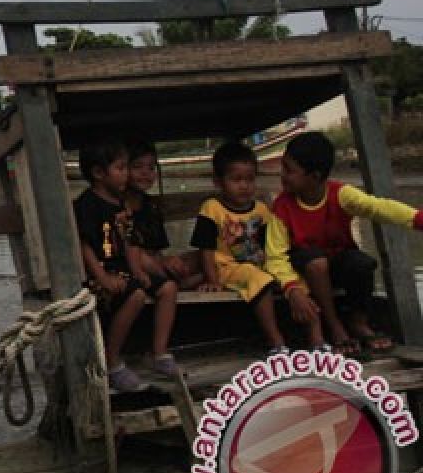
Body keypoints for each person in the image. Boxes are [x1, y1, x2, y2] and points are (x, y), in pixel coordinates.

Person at [267, 131, 423, 357]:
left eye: (289, 170)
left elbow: (379, 208)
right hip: (306, 268)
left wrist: (418, 220)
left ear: (315, 176)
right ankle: (334, 325)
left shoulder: (340, 194)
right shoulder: (282, 206)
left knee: (362, 264)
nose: (282, 176)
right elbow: (275, 256)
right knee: (316, 262)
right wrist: (292, 289)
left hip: (336, 263)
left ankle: (358, 321)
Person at [191, 141, 325, 355]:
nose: (244, 186)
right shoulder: (211, 209)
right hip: (228, 267)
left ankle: (317, 339)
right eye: (236, 180)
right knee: (257, 278)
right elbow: (205, 250)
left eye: (250, 179)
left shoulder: (262, 210)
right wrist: (212, 280)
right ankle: (277, 342)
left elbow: (270, 246)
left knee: (298, 280)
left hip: (261, 264)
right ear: (218, 181)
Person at [74, 139, 180, 392]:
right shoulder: (87, 204)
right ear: (99, 174)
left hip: (124, 268)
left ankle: (159, 353)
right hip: (100, 271)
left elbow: (131, 242)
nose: (126, 175)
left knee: (168, 288)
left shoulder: (122, 204)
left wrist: (138, 271)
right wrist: (102, 277)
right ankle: (112, 362)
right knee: (136, 294)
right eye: (121, 168)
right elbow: (84, 246)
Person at [124, 138, 203, 289]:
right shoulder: (116, 206)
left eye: (151, 168)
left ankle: (177, 280)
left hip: (155, 265)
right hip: (132, 266)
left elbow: (157, 251)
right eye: (137, 166)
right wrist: (160, 262)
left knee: (202, 256)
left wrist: (169, 261)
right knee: (140, 256)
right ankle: (177, 284)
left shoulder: (151, 207)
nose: (145, 173)